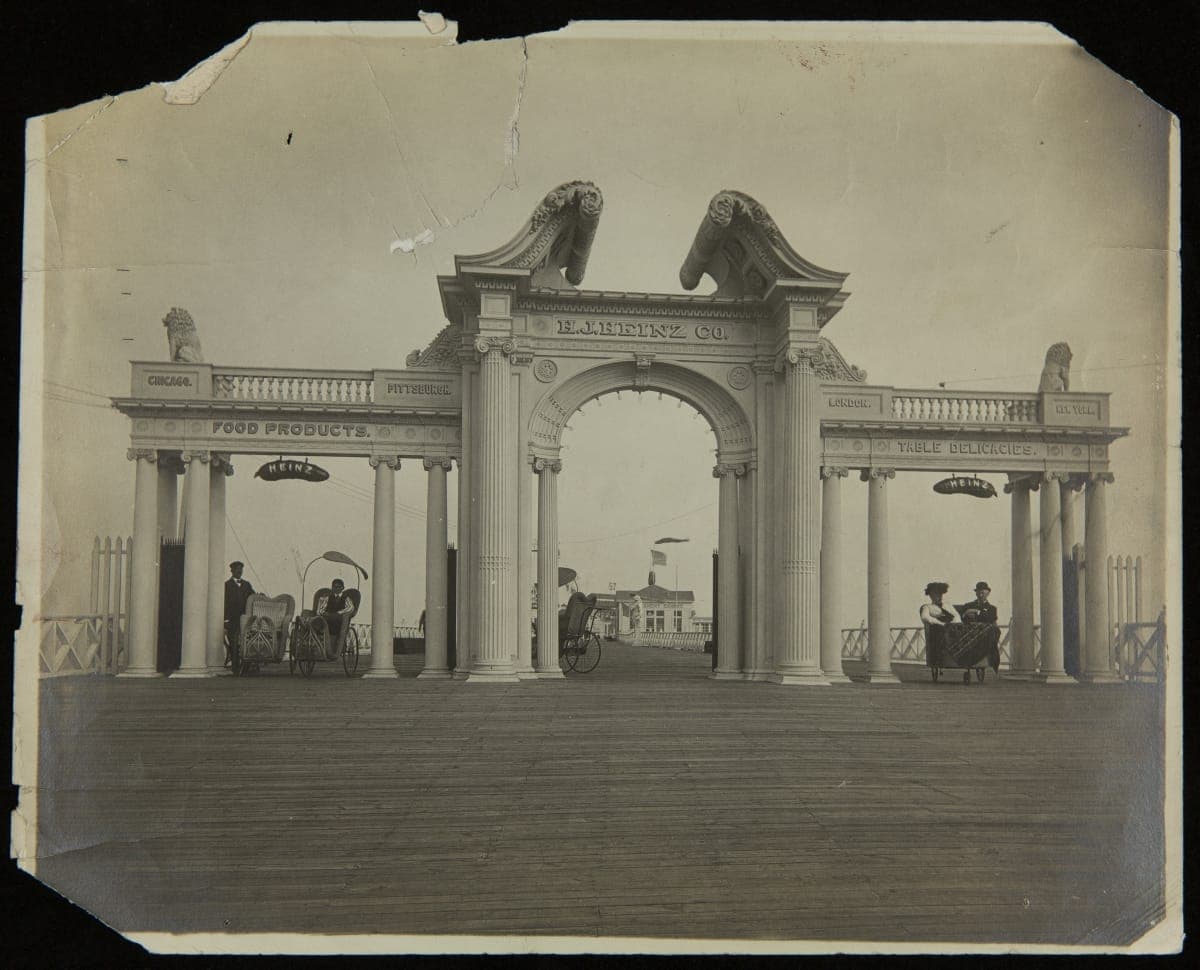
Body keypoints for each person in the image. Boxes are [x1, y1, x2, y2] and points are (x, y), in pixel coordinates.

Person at [223, 561, 256, 668]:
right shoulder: (226, 585)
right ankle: (235, 666)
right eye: (237, 569)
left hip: (245, 619)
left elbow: (253, 596)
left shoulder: (247, 585)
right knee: (233, 641)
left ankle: (246, 666)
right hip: (232, 619)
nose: (239, 571)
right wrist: (225, 619)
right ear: (232, 570)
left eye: (241, 569)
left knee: (246, 641)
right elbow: (224, 603)